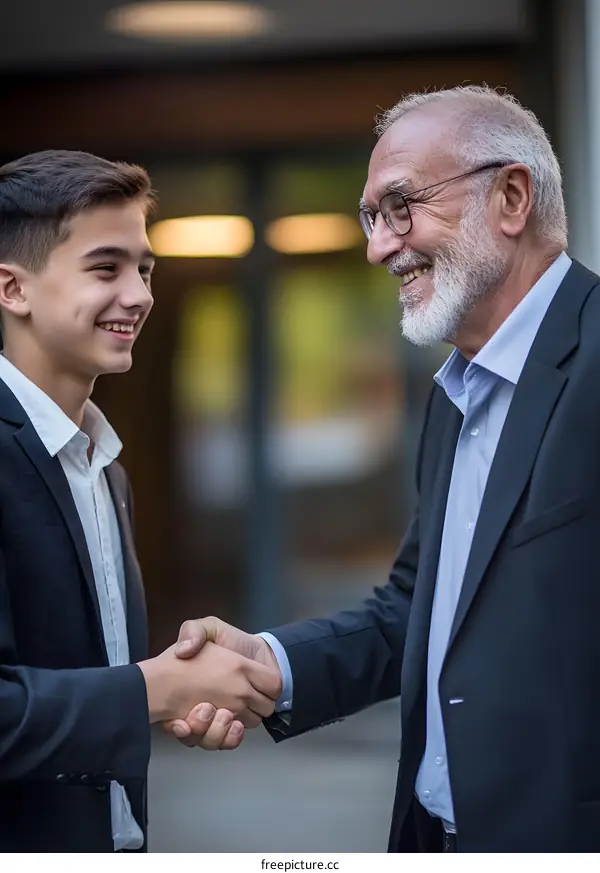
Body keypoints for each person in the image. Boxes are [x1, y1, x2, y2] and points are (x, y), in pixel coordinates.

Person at [166, 85, 600, 852]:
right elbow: (417, 609)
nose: (379, 246)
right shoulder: (455, 395)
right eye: (372, 216)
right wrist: (271, 662)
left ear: (510, 195)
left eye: (402, 205)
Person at [0, 150, 281, 852]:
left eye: (144, 269)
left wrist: (174, 696)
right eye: (106, 268)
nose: (139, 295)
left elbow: (91, 684)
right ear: (12, 289)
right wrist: (156, 689)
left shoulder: (104, 466)